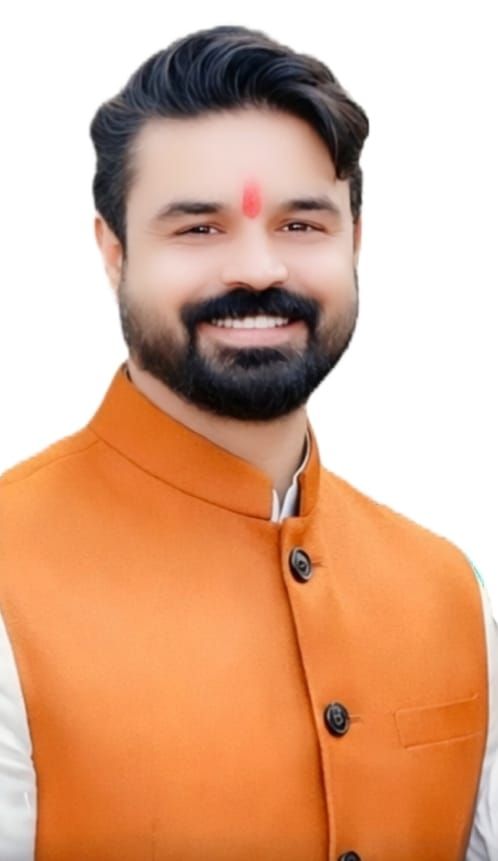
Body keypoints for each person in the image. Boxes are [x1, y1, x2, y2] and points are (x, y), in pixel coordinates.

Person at [0, 23, 496, 861]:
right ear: (114, 253)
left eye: (302, 225)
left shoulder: (451, 591)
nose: (260, 269)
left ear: (355, 241)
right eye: (199, 229)